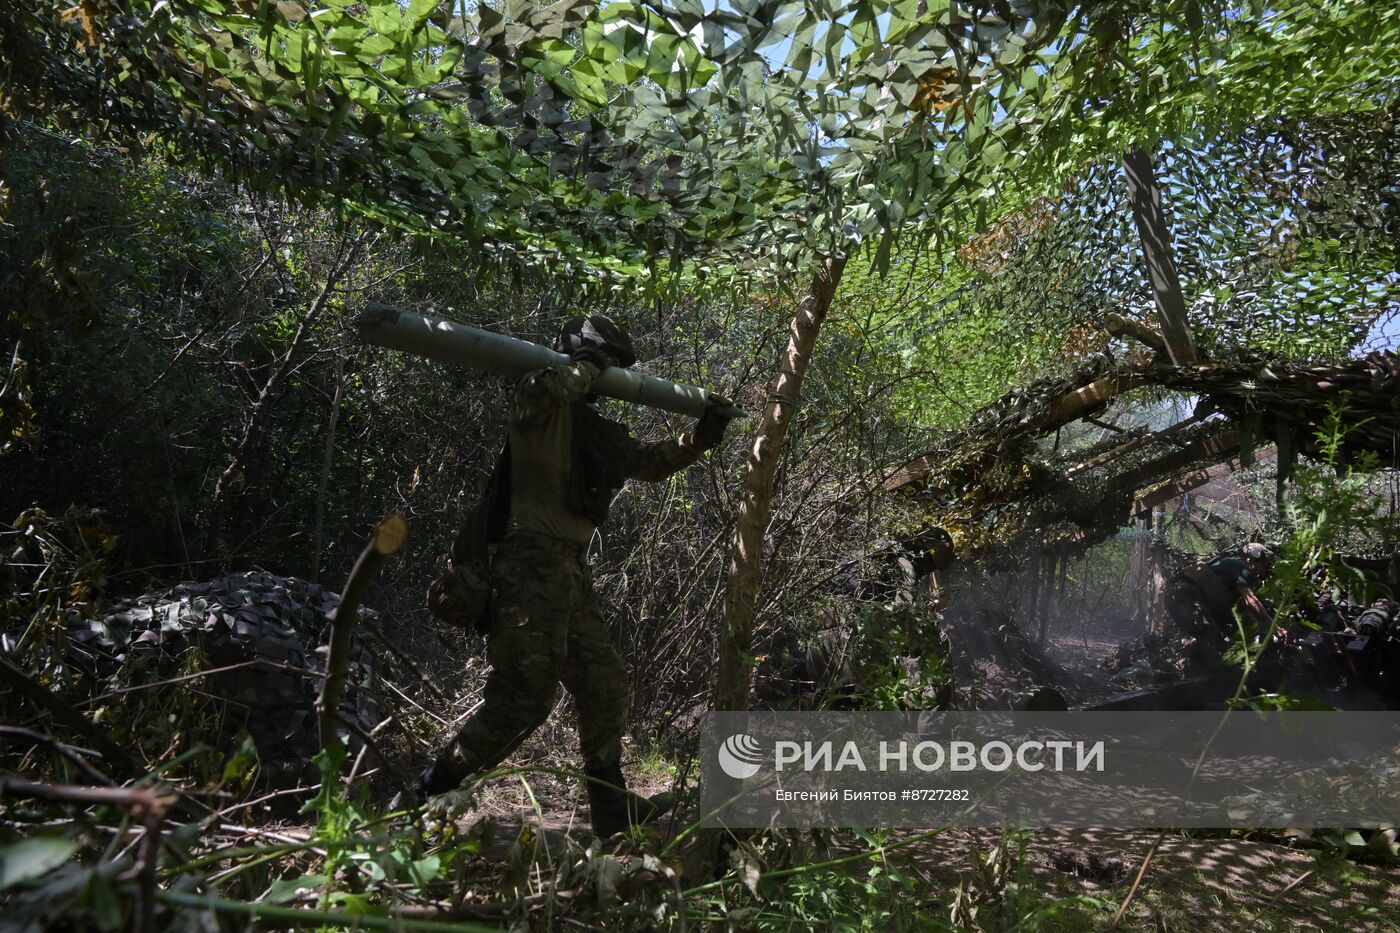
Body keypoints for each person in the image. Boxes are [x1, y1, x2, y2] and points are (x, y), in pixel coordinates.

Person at [411, 314, 735, 837]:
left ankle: (609, 803)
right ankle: (430, 787)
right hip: (527, 566)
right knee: (525, 696)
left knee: (604, 682)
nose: (607, 375)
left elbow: (649, 462)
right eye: (603, 360)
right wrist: (587, 364)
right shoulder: (537, 399)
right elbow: (555, 387)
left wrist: (702, 437)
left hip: (569, 572)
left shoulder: (593, 429)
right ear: (579, 356)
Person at [1167, 542, 1277, 645]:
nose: (1263, 571)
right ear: (1250, 560)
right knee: (1211, 643)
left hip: (1177, 598)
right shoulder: (1241, 567)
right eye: (1264, 565)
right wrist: (1275, 628)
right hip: (1187, 598)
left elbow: (1244, 609)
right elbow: (1251, 602)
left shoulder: (1232, 567)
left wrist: (1260, 629)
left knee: (1208, 640)